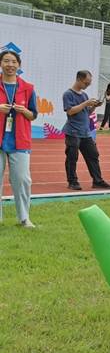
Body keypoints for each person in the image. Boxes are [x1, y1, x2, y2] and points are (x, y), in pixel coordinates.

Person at [0, 49, 37, 227]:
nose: (10, 65)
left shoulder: (28, 88)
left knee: (22, 180)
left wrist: (24, 111)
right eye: (6, 61)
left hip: (20, 140)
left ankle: (24, 217)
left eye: (14, 62)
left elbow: (33, 115)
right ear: (1, 64)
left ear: (19, 65)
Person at [62, 70, 110, 191]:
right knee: (72, 157)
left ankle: (97, 181)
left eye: (89, 83)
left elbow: (87, 112)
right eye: (86, 83)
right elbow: (70, 111)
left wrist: (94, 106)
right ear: (79, 79)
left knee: (93, 155)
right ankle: (72, 181)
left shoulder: (84, 95)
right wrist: (86, 103)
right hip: (73, 132)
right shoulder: (68, 94)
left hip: (85, 132)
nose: (87, 85)